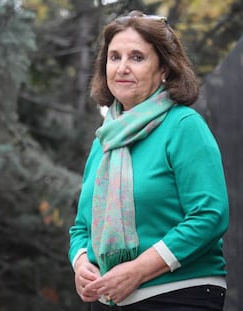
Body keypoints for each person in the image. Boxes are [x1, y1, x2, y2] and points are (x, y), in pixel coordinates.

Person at [68, 10, 229, 311]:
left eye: (137, 58)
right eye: (114, 57)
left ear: (165, 68)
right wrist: (80, 263)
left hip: (178, 295)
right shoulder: (103, 140)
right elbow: (80, 227)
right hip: (107, 300)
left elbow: (209, 214)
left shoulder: (183, 126)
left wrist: (139, 269)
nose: (122, 68)